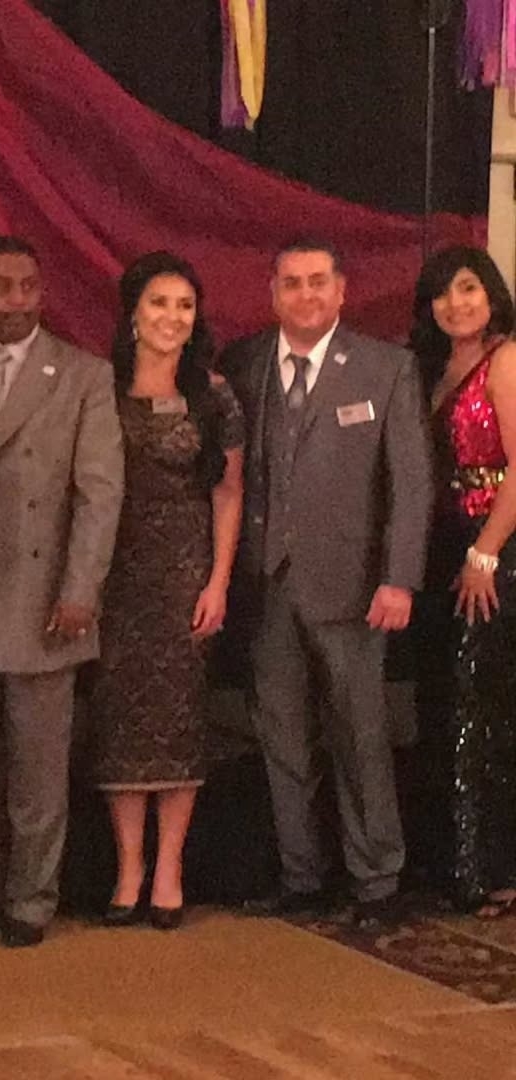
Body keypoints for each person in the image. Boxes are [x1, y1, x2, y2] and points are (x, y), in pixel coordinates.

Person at [226, 237, 432, 926]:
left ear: (343, 290)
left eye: (318, 281)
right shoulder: (246, 363)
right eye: (292, 282)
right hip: (267, 586)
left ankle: (377, 881)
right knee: (282, 739)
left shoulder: (387, 367)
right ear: (272, 293)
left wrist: (399, 578)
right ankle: (302, 876)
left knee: (360, 739)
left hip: (355, 589)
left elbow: (411, 485)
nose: (306, 294)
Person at [0, 236, 123, 947]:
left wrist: (82, 590)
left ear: (42, 294)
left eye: (27, 287)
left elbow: (100, 495)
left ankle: (31, 900)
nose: (15, 301)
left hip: (45, 597)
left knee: (38, 771)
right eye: (1, 287)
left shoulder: (82, 375)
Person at [89, 252, 243, 929]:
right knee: (120, 722)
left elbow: (229, 492)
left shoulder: (215, 394)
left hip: (186, 574)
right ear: (133, 312)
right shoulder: (101, 386)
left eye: (184, 305)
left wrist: (219, 580)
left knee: (180, 723)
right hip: (114, 575)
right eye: (159, 303)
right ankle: (128, 872)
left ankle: (170, 872)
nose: (171, 317)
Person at [409, 246, 516, 917]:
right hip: (443, 544)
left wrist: (485, 554)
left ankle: (491, 869)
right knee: (444, 702)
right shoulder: (431, 368)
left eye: (469, 287)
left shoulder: (505, 359)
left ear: (492, 294)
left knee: (482, 708)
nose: (458, 303)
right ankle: (452, 860)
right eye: (444, 293)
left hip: (493, 546)